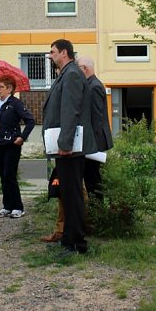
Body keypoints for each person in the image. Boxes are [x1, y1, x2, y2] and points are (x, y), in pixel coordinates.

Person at [42, 39, 96, 256]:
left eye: (52, 51)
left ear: (64, 53)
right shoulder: (67, 74)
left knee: (72, 195)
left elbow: (70, 110)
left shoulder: (72, 74)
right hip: (66, 146)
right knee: (67, 192)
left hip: (69, 148)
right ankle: (68, 239)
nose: (50, 55)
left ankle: (76, 244)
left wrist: (65, 143)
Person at [0, 74, 35, 219]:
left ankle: (18, 207)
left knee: (9, 175)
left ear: (10, 88)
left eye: (1, 87)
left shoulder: (15, 103)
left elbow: (30, 120)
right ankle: (7, 206)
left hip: (11, 145)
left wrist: (22, 137)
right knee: (3, 176)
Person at [76, 56, 113, 201]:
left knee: (93, 178)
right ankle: (95, 209)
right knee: (91, 177)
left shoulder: (94, 86)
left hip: (94, 142)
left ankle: (97, 210)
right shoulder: (90, 84)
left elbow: (96, 117)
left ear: (84, 68)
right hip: (92, 140)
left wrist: (92, 144)